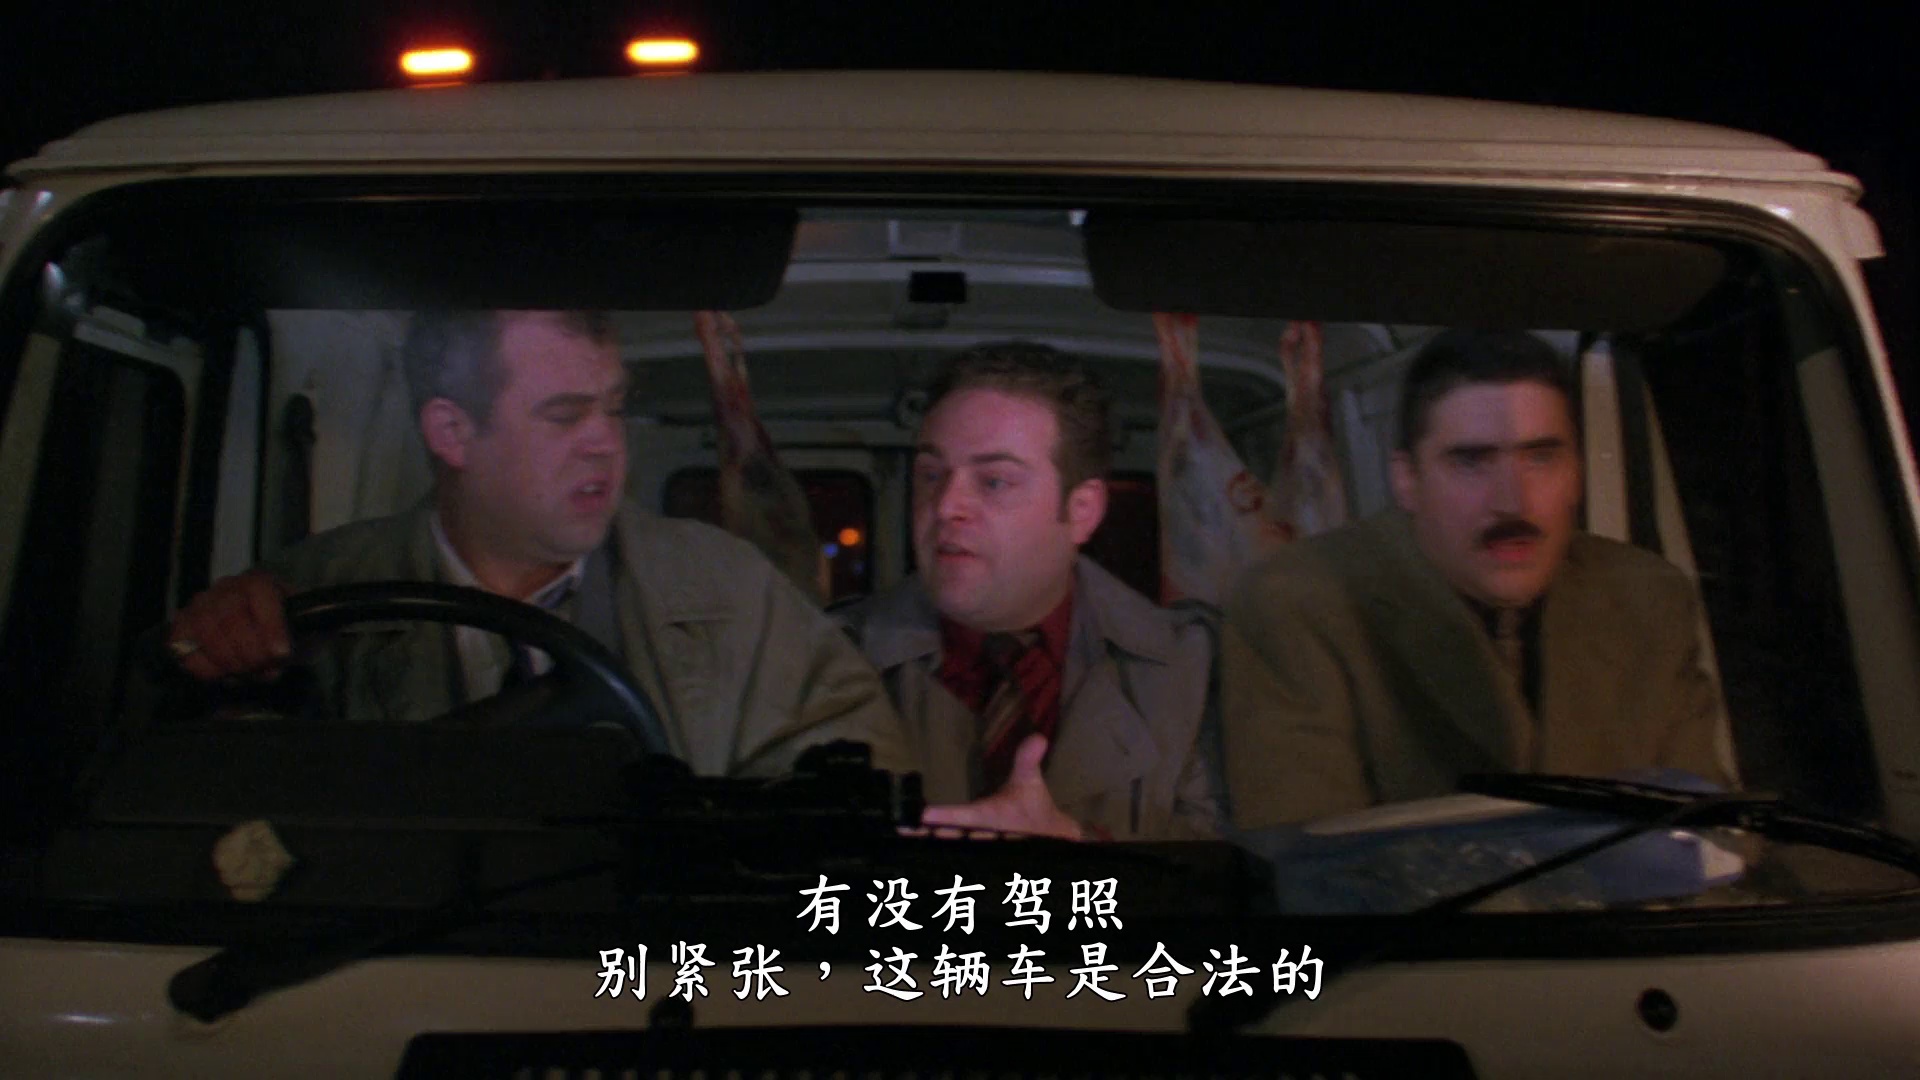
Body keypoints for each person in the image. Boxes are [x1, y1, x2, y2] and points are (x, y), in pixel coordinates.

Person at [166, 309, 910, 778]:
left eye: (614, 409)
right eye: (564, 416)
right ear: (453, 432)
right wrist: (222, 654)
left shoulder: (728, 588)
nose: (605, 444)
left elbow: (859, 766)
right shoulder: (312, 595)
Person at [1220, 328, 1736, 828]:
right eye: (1471, 461)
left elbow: (1712, 832)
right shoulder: (1299, 605)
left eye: (1541, 457)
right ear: (1407, 479)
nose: (1512, 501)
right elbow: (1311, 858)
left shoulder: (1648, 596)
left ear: (1576, 472)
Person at [841, 341, 1220, 840]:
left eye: (994, 482)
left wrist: (1074, 849)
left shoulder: (1192, 669)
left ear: (1081, 511)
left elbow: (1235, 871)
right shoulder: (827, 657)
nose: (945, 505)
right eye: (931, 474)